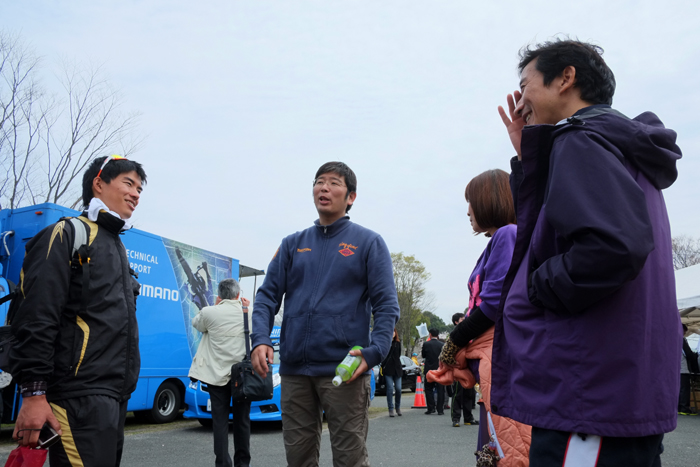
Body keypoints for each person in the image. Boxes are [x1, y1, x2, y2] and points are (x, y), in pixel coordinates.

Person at [495, 38, 682, 465]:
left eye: (525, 84)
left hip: (588, 394)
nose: (520, 99)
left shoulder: (579, 141)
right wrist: (530, 154)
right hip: (621, 388)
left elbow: (614, 246)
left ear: (566, 78)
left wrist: (537, 286)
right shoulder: (621, 145)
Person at [250, 161, 400, 467]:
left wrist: (374, 353)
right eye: (319, 181)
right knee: (298, 457)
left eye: (334, 183)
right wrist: (260, 338)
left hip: (345, 370)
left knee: (349, 458)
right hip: (294, 371)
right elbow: (266, 296)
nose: (324, 188)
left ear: (351, 197)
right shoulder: (293, 244)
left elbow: (387, 305)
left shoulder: (369, 242)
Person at [9, 155, 146, 466]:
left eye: (139, 188)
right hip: (75, 398)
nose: (136, 194)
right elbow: (36, 316)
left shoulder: (117, 247)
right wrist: (33, 393)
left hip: (113, 398)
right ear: (98, 183)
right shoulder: (69, 233)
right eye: (128, 183)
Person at [439, 169, 519, 462]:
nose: (468, 211)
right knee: (491, 448)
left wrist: (455, 341)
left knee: (504, 448)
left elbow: (494, 303)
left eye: (471, 201)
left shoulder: (508, 233)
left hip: (501, 355)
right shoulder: (497, 239)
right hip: (490, 358)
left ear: (490, 200)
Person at [188, 278, 254, 467]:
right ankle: (243, 463)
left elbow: (197, 324)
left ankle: (223, 463)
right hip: (241, 377)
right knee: (242, 421)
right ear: (238, 295)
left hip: (215, 377)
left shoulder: (209, 312)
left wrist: (214, 305)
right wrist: (246, 308)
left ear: (219, 295)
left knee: (220, 423)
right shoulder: (247, 313)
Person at [448, 312, 477, 427]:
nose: (465, 320)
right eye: (462, 319)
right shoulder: (454, 334)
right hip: (458, 368)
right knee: (458, 394)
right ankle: (456, 418)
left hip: (469, 367)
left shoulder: (469, 332)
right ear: (456, 322)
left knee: (469, 394)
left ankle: (468, 418)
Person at [380, 328, 403, 417]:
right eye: (390, 332)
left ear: (395, 333)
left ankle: (398, 407)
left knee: (398, 389)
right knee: (389, 389)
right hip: (388, 369)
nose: (392, 333)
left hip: (397, 369)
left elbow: (399, 355)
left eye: (393, 331)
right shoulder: (385, 343)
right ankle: (390, 408)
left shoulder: (398, 343)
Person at [421, 329, 444, 415]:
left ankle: (431, 408)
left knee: (428, 389)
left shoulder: (426, 344)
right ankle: (440, 409)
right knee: (440, 389)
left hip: (429, 370)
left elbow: (423, 355)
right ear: (438, 335)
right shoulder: (442, 345)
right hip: (439, 370)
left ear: (430, 334)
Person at [679, 324, 699, 415]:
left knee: (678, 389)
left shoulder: (669, 338)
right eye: (684, 332)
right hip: (682, 368)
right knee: (684, 388)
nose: (685, 333)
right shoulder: (681, 339)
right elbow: (689, 354)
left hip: (674, 369)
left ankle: (678, 407)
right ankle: (684, 408)